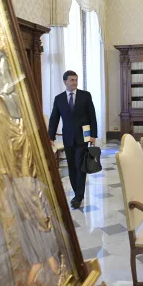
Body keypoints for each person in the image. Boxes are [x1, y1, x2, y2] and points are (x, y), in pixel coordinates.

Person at [48, 71, 97, 209]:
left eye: (76, 80)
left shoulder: (85, 96)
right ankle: (77, 193)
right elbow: (54, 119)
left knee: (80, 167)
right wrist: (50, 137)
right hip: (68, 138)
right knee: (72, 168)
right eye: (72, 80)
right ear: (65, 82)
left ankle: (79, 196)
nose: (75, 82)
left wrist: (93, 135)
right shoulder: (59, 99)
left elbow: (92, 116)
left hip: (83, 138)